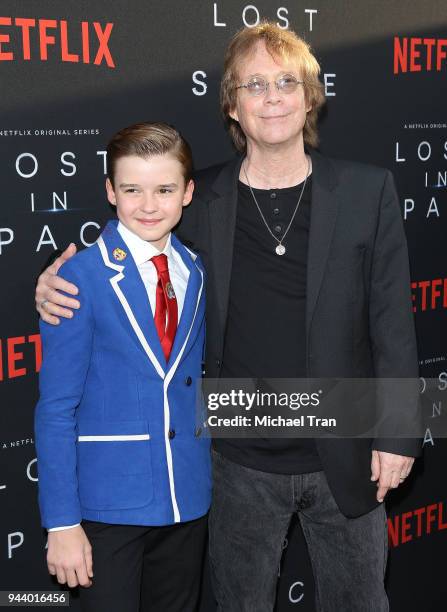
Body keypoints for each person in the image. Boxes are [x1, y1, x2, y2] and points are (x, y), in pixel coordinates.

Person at [36, 23, 421, 612]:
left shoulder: (369, 192)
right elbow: (126, 251)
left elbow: (394, 321)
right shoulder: (195, 200)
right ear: (232, 105)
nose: (272, 97)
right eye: (254, 84)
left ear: (310, 95)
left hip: (348, 451)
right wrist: (49, 281)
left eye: (286, 81)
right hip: (234, 462)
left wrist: (398, 433)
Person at [34, 122, 211, 612]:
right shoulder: (78, 277)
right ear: (111, 191)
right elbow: (56, 409)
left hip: (187, 500)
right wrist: (62, 523)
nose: (149, 205)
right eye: (132, 189)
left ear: (188, 193)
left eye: (165, 189)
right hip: (107, 509)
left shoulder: (194, 271)